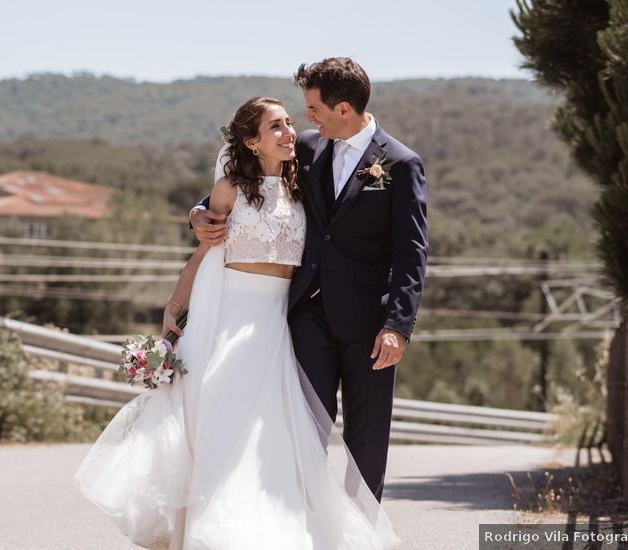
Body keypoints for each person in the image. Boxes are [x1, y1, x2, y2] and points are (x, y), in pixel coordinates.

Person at [75, 96, 399, 549]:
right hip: (231, 320)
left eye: (290, 122)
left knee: (274, 439)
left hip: (279, 323)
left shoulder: (303, 182)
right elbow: (206, 249)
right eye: (277, 127)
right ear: (250, 141)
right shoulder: (230, 189)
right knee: (226, 428)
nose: (290, 132)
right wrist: (174, 308)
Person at [191, 57, 428, 504]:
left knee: (367, 433)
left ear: (343, 108)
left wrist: (398, 326)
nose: (307, 117)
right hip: (306, 315)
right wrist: (199, 213)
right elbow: (249, 180)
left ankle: (362, 529)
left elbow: (411, 252)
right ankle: (303, 523)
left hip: (369, 326)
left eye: (314, 107)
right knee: (299, 428)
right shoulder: (305, 145)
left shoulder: (401, 163)